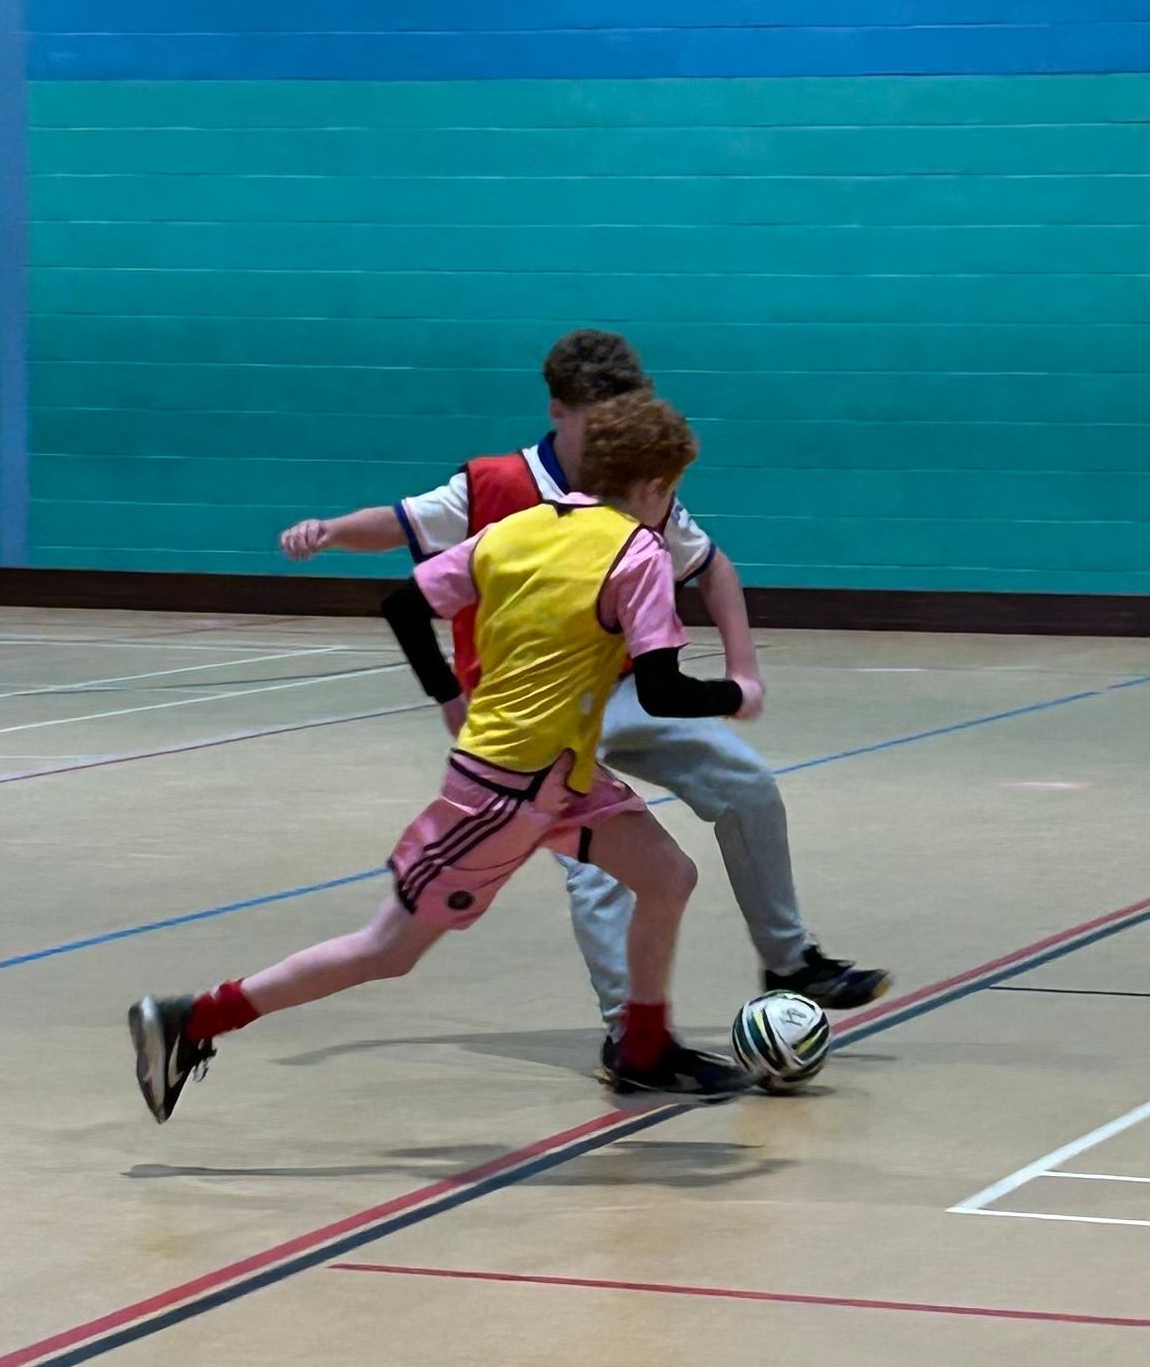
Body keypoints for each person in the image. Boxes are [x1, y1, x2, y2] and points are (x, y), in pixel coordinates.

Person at [129, 394, 753, 1123]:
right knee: (386, 951)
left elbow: (403, 604)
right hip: (507, 795)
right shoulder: (638, 553)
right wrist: (734, 693)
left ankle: (645, 1049)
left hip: (554, 777)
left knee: (668, 875)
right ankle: (193, 1022)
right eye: (672, 491)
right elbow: (662, 686)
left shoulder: (516, 529)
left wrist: (452, 701)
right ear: (652, 488)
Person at [279, 329, 890, 1028]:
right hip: (534, 717)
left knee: (746, 785)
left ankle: (789, 961)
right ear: (558, 413)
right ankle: (627, 1027)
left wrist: (741, 670)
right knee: (601, 864)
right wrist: (328, 530)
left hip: (626, 690)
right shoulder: (494, 486)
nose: (613, 437)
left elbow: (712, 566)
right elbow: (397, 524)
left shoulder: (642, 491)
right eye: (598, 423)